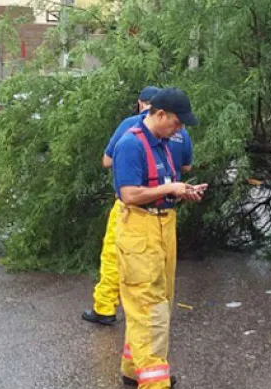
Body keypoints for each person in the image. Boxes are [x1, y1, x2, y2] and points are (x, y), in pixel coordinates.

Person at [112, 87, 206, 389]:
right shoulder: (130, 145)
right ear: (160, 114)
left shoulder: (165, 146)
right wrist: (170, 188)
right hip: (140, 229)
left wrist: (183, 192)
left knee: (160, 299)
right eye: (177, 123)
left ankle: (135, 368)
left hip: (164, 225)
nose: (179, 130)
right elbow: (130, 194)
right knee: (149, 306)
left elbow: (164, 185)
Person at [82, 86, 193, 326]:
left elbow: (107, 161)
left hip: (135, 212)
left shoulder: (132, 129)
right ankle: (148, 337)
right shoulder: (180, 136)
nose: (178, 129)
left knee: (114, 257)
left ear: (145, 105)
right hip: (164, 216)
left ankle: (104, 308)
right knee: (158, 280)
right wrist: (171, 186)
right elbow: (186, 168)